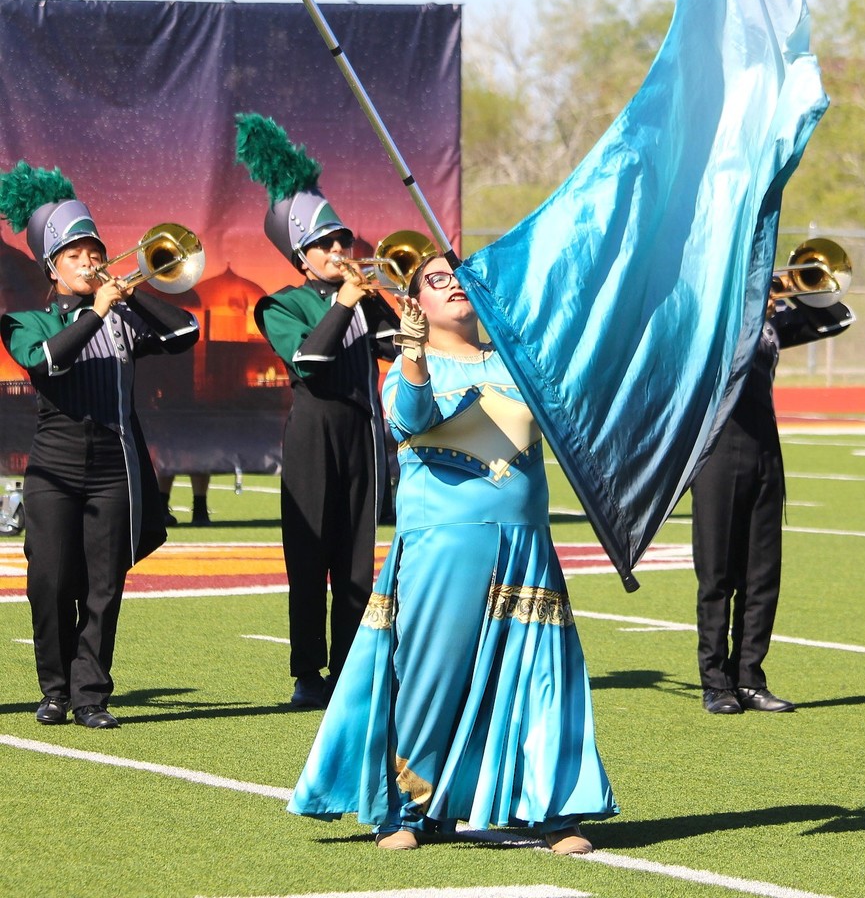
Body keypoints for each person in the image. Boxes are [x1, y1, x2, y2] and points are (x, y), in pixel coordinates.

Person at [287, 255, 618, 853]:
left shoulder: (517, 358)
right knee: (429, 677)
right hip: (443, 541)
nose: (453, 286)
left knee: (539, 675)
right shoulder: (407, 366)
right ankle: (407, 812)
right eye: (436, 279)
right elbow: (410, 424)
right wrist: (412, 354)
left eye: (460, 276)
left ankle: (554, 813)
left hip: (525, 540)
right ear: (417, 302)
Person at [0, 160, 199, 728]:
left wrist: (134, 293)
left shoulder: (120, 317)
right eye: (76, 256)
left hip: (114, 466)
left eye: (95, 252)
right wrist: (98, 310)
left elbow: (185, 333)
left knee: (104, 585)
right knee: (50, 581)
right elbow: (49, 361)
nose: (90, 262)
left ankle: (91, 696)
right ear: (52, 269)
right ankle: (54, 688)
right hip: (54, 466)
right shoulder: (26, 321)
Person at [236, 114, 398, 709]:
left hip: (362, 431)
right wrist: (348, 302)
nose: (340, 251)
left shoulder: (365, 299)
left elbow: (397, 347)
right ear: (302, 257)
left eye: (343, 242)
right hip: (311, 433)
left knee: (358, 561)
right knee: (310, 561)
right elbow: (308, 359)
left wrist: (404, 310)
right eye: (327, 245)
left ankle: (353, 670)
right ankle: (309, 672)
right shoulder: (280, 303)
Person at [692, 292, 854, 715]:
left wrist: (792, 289)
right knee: (717, 575)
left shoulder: (773, 319)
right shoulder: (712, 312)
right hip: (716, 453)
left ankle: (749, 678)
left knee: (762, 576)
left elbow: (839, 317)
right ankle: (715, 683)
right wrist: (744, 302)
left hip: (767, 450)